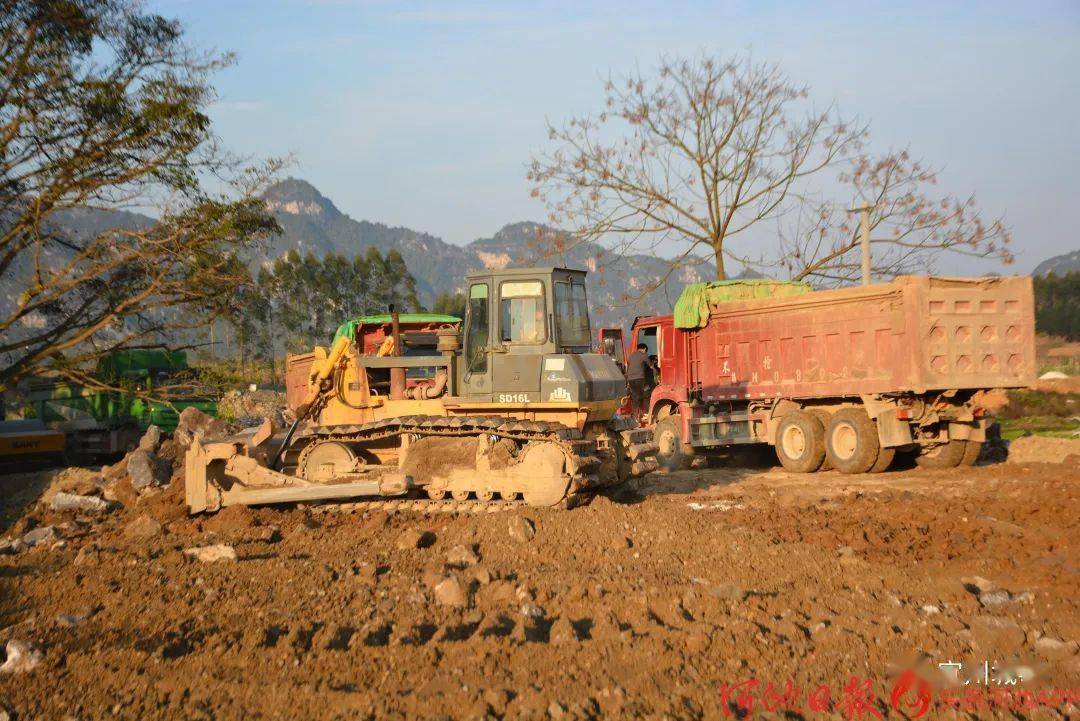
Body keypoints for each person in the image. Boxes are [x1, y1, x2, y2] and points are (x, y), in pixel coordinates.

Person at [625, 343, 655, 417]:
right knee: (646, 393)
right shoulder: (643, 355)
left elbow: (628, 367)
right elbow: (651, 366)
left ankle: (635, 415)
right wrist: (656, 368)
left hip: (631, 379)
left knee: (635, 396)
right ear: (644, 349)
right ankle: (646, 413)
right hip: (640, 379)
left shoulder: (631, 356)